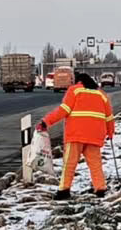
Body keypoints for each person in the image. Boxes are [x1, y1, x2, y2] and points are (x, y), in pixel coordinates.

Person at [37, 71, 115, 199]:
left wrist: (46, 122)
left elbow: (63, 111)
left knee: (70, 163)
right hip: (95, 136)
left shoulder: (74, 90)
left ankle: (64, 190)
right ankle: (100, 188)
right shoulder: (101, 94)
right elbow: (109, 117)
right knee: (95, 164)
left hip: (76, 135)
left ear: (79, 81)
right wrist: (110, 133)